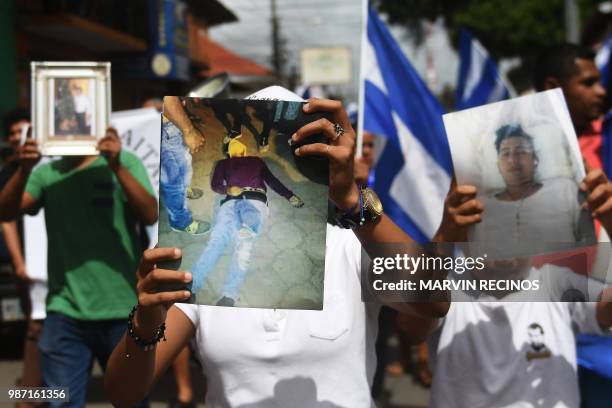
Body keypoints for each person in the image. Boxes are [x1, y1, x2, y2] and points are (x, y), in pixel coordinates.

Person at [104, 97, 449, 408]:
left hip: (256, 209)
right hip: (228, 207)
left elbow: (433, 300)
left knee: (241, 247)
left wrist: (351, 201)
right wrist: (145, 321)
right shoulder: (188, 261)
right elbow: (124, 394)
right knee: (218, 246)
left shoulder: (350, 245)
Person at [398, 167, 612, 407]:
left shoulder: (557, 285)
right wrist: (444, 237)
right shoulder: (446, 286)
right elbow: (410, 330)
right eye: (489, 226)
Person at [0, 125, 157, 407]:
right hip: (65, 311)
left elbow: (150, 214)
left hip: (123, 310)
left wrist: (116, 166)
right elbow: (6, 212)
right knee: (61, 401)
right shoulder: (46, 173)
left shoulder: (124, 162)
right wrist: (24, 169)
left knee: (133, 401)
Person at [534, 43, 612, 406]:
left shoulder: (607, 144)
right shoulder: (514, 154)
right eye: (589, 82)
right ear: (554, 85)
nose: (601, 90)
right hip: (545, 333)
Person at [191, 134, 304, 306]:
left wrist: (290, 196)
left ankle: (229, 295)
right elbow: (215, 185)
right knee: (216, 241)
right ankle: (190, 287)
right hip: (229, 201)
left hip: (254, 199)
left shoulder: (256, 161)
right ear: (228, 152)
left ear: (244, 150)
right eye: (231, 145)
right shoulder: (223, 163)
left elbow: (272, 180)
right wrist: (227, 189)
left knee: (244, 243)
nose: (235, 144)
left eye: (238, 144)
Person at [471, 123, 595, 251]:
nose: (513, 160)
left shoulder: (565, 191)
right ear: (498, 165)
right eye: (506, 154)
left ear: (535, 159)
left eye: (521, 152)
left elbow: (590, 245)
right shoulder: (482, 209)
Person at [0, 109, 44, 406]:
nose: (19, 138)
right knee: (36, 324)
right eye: (14, 133)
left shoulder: (47, 169)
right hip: (28, 265)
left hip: (48, 261)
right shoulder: (9, 174)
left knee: (42, 325)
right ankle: (29, 395)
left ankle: (34, 389)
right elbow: (7, 220)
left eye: (24, 131)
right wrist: (19, 263)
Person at [161, 96, 209, 235]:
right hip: (165, 128)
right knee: (174, 182)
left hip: (172, 125)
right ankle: (180, 222)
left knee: (184, 165)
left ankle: (184, 190)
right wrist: (189, 130)